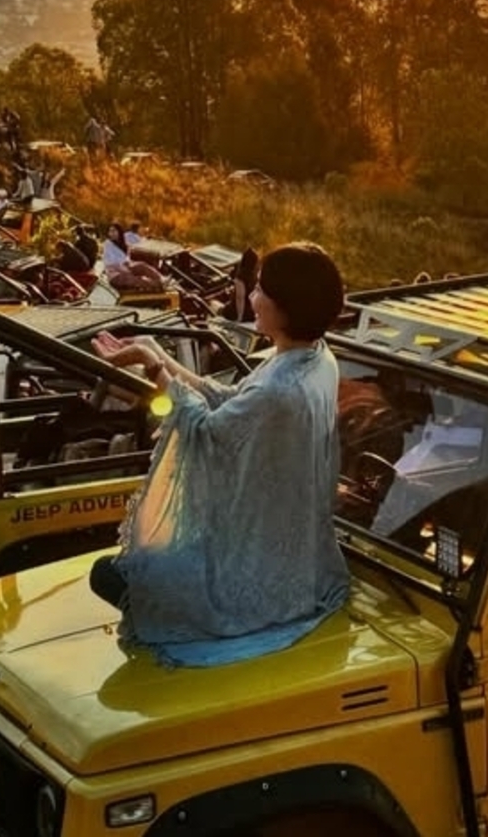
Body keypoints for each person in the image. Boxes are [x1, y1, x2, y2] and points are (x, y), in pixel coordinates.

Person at [87, 241, 350, 665]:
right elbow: (229, 399)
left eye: (262, 290)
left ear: (286, 307)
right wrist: (160, 357)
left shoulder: (281, 389)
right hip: (295, 555)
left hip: (258, 572)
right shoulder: (315, 357)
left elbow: (209, 432)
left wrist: (152, 366)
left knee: (114, 575)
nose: (252, 298)